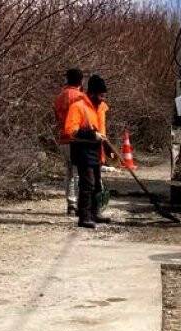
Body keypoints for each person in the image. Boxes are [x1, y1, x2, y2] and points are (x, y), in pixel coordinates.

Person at [63, 74, 114, 229]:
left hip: (96, 149)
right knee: (87, 184)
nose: (103, 98)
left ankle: (94, 213)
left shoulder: (100, 108)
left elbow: (102, 131)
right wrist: (92, 135)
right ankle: (84, 217)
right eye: (100, 95)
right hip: (82, 149)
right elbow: (70, 131)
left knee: (97, 184)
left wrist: (107, 147)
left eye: (104, 95)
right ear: (91, 93)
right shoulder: (78, 107)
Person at [53, 68, 86, 217]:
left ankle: (71, 204)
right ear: (81, 80)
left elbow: (56, 117)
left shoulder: (60, 96)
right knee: (78, 173)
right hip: (77, 138)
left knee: (69, 172)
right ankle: (79, 204)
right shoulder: (80, 97)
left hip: (63, 138)